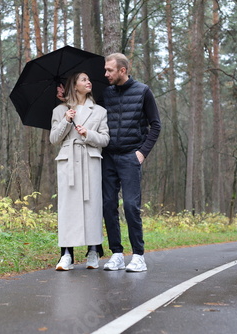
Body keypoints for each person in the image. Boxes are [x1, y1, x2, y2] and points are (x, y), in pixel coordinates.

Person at [101, 53, 161, 272]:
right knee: (108, 205)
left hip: (130, 156)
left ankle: (138, 256)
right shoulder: (105, 93)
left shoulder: (143, 92)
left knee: (130, 206)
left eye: (109, 70)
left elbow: (156, 125)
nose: (105, 74)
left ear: (122, 71)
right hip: (108, 157)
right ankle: (116, 253)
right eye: (106, 70)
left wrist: (142, 153)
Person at [50, 72, 110, 271]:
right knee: (68, 209)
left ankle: (93, 250)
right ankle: (66, 254)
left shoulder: (99, 111)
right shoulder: (60, 110)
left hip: (90, 161)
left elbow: (105, 139)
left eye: (88, 79)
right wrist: (66, 120)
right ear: (74, 86)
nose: (88, 81)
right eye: (84, 79)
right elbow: (54, 139)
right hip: (68, 162)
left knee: (92, 207)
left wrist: (88, 134)